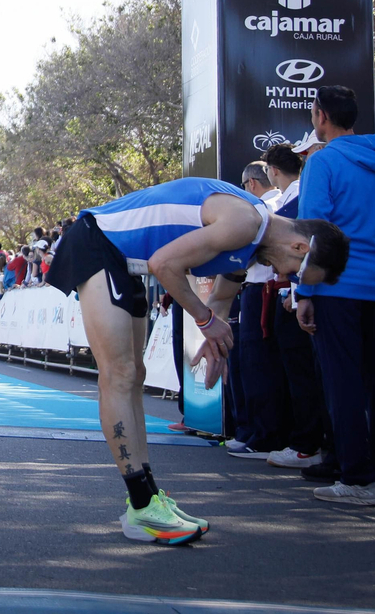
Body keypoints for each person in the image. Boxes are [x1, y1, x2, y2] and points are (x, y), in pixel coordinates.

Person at [45, 175, 349, 543]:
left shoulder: (253, 242)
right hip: (98, 242)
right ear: (299, 246)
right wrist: (205, 323)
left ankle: (148, 496)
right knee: (119, 374)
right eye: (297, 272)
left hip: (122, 257)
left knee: (134, 374)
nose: (285, 277)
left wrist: (215, 337)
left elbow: (220, 300)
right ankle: (142, 505)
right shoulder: (244, 224)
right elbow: (164, 264)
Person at [295, 85, 375, 507]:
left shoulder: (323, 162)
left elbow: (314, 232)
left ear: (321, 115)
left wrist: (304, 291)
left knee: (342, 381)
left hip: (337, 285)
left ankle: (358, 478)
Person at [259, 143, 329, 471]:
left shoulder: (303, 194)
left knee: (303, 372)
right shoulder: (288, 197)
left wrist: (299, 292)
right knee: (296, 370)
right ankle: (304, 439)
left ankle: (308, 443)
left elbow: (306, 245)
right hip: (292, 290)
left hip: (301, 291)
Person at [227, 161, 285, 460]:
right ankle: (254, 431)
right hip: (260, 289)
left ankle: (262, 434)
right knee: (252, 365)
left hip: (263, 289)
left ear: (251, 183)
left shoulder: (263, 206)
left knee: (256, 365)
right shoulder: (271, 203)